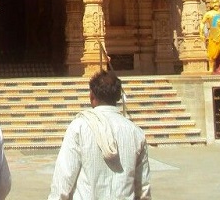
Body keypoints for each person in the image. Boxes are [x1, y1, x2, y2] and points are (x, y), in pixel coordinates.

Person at [47, 70, 151, 200]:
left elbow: (63, 178)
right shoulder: (136, 132)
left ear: (92, 96)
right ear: (118, 97)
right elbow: (143, 189)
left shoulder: (79, 127)